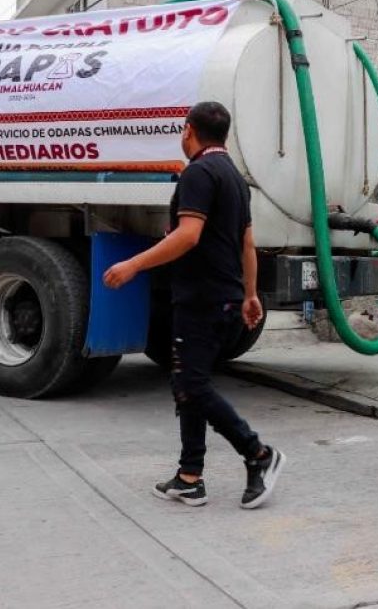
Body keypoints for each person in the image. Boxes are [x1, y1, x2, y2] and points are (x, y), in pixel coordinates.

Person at [103, 102, 286, 510]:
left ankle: (258, 454)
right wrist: (250, 294)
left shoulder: (199, 173)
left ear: (189, 131)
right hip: (222, 295)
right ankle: (190, 476)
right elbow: (247, 244)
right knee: (187, 381)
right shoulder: (235, 178)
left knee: (191, 385)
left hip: (201, 297)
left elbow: (188, 236)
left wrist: (132, 265)